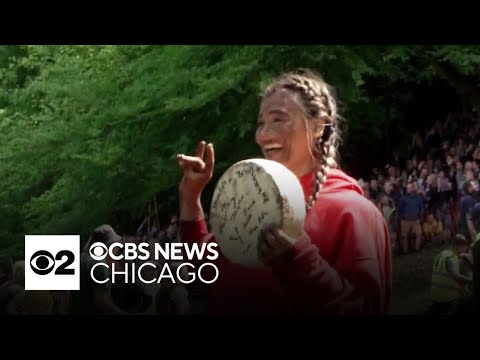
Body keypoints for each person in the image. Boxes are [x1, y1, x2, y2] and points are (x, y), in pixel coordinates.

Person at [176, 70, 391, 314]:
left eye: (278, 119)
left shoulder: (353, 213)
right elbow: (203, 280)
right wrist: (190, 199)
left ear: (318, 126)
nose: (262, 135)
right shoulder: (252, 201)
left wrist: (297, 258)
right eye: (260, 124)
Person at [428, 234, 471, 315]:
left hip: (435, 293)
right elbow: (457, 277)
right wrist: (470, 280)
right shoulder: (451, 257)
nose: (464, 251)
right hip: (447, 296)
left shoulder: (442, 254)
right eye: (465, 248)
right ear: (461, 246)